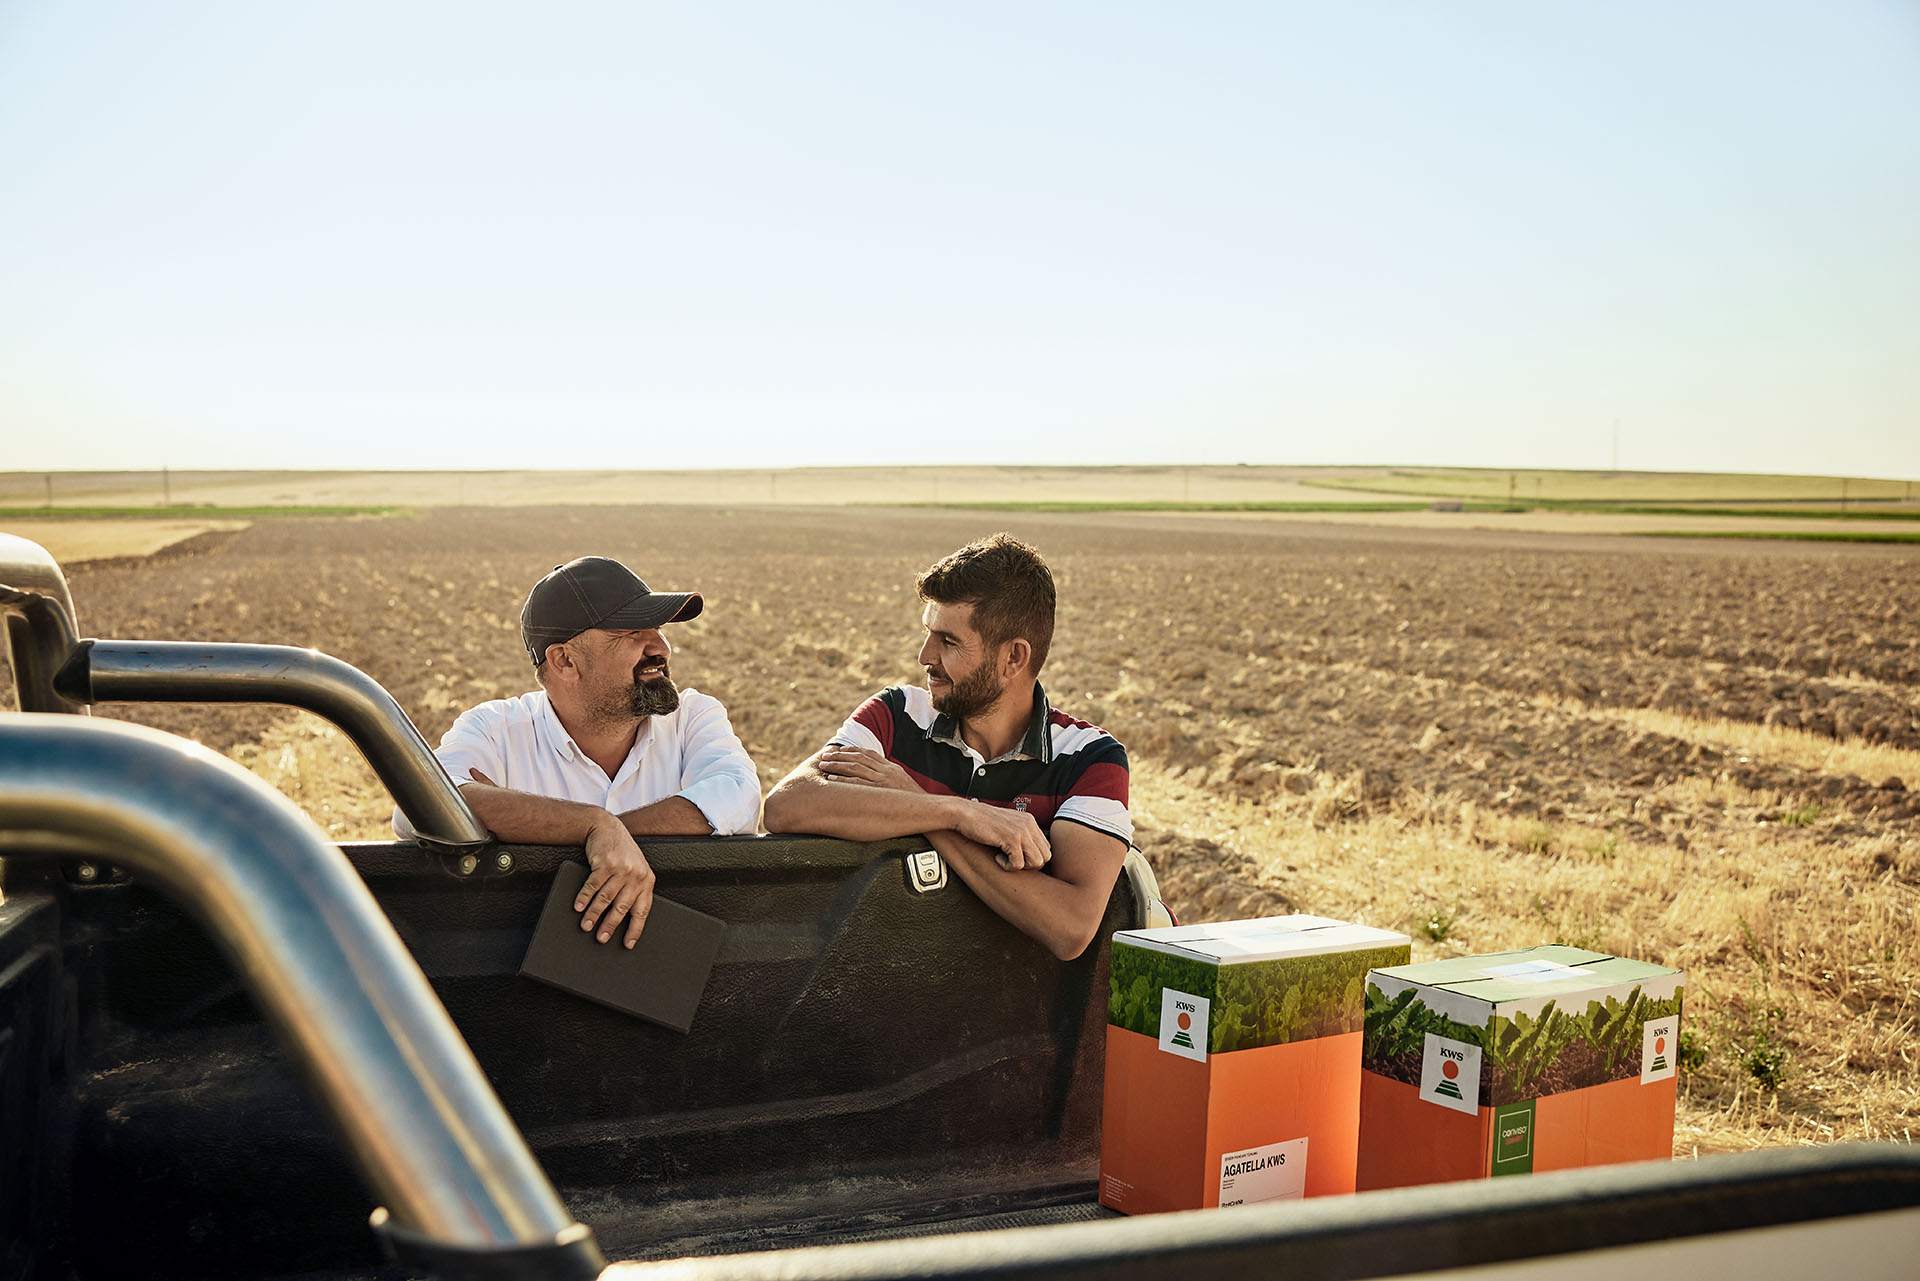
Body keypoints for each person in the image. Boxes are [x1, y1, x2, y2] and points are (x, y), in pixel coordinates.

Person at [763, 533, 1131, 960]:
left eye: (949, 641)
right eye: (928, 633)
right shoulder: (895, 714)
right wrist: (959, 813)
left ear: (1014, 657)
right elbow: (787, 805)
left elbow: (1070, 928)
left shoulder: (1090, 759)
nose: (924, 655)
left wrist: (919, 806)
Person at [394, 556, 759, 948]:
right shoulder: (495, 729)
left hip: (669, 981)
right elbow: (423, 802)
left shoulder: (693, 717)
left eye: (658, 630)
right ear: (565, 660)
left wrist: (595, 832)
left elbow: (737, 793)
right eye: (634, 632)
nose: (661, 647)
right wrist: (591, 825)